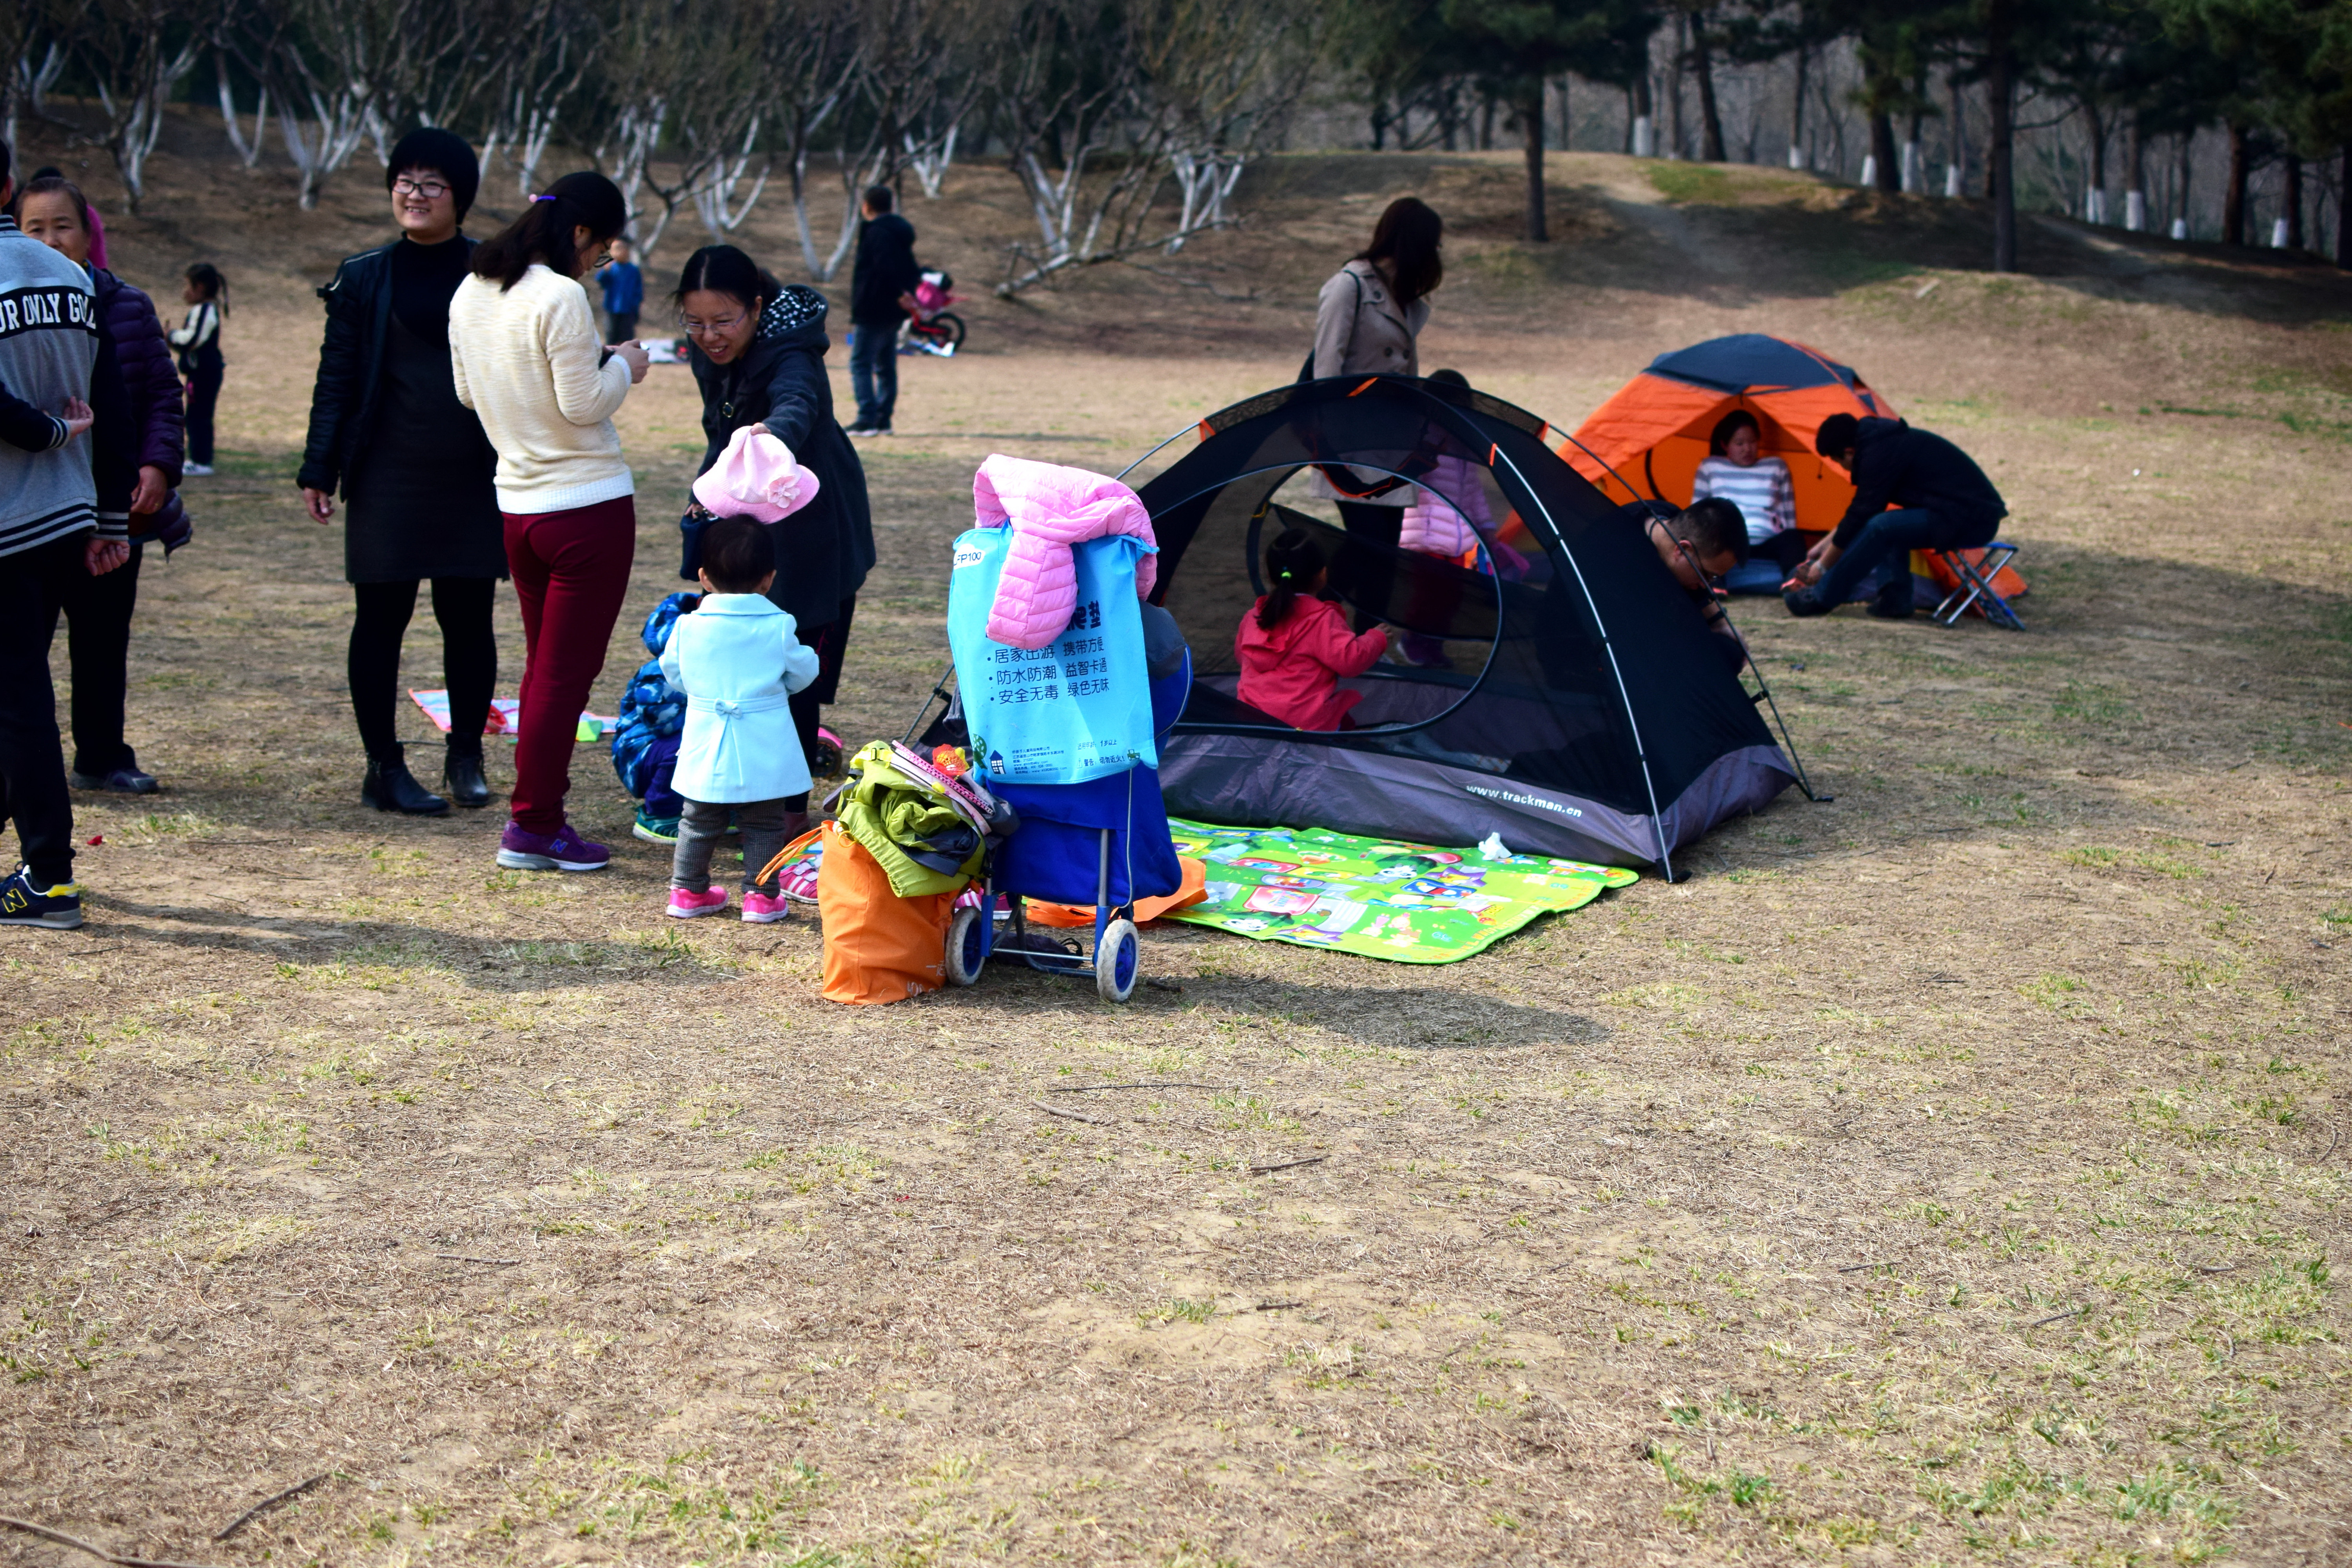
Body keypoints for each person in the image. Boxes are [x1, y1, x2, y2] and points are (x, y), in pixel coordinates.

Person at [298, 128, 506, 817]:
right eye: (405, 182)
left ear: (459, 197)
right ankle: (382, 767)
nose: (415, 195)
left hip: (472, 473)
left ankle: (466, 755)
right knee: (380, 620)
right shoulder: (363, 275)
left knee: (468, 618)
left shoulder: (491, 270)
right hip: (387, 473)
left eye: (432, 184)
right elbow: (337, 377)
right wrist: (319, 466)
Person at [448, 170, 648, 872]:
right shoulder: (560, 295)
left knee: (544, 670)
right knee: (565, 678)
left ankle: (535, 816)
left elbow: (468, 393)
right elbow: (584, 404)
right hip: (586, 509)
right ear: (582, 232)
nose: (600, 263)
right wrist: (624, 366)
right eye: (603, 249)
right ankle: (534, 823)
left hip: (518, 509)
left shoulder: (471, 290)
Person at [671, 243, 875, 778]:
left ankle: (788, 803)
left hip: (810, 510)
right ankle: (735, 775)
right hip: (744, 501)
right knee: (737, 640)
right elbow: (720, 421)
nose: (710, 336)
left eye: (724, 321)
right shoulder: (710, 351)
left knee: (794, 648)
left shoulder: (792, 352)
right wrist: (710, 479)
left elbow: (797, 403)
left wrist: (771, 437)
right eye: (695, 322)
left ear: (757, 308)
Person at [13, 173, 185, 797]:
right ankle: (20, 768)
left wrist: (157, 466)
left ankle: (102, 754)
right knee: (22, 647)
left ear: (88, 235)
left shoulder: (126, 305)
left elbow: (161, 395)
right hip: (34, 506)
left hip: (112, 506)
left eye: (64, 227)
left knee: (103, 638)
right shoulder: (11, 306)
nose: (51, 241)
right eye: (36, 228)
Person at [0, 135, 111, 929]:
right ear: (9, 187)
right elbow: (113, 400)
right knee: (15, 693)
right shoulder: (70, 274)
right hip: (64, 511)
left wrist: (45, 433)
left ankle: (49, 875)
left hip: (9, 516)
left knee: (18, 701)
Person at [659, 513, 819, 924]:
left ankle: (688, 891)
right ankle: (761, 897)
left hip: (706, 734)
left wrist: (703, 692)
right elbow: (803, 673)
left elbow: (674, 673)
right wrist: (776, 690)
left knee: (698, 819)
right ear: (768, 579)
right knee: (764, 822)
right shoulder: (778, 625)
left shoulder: (688, 626)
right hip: (765, 738)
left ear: (703, 577)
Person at [1310, 197, 1444, 626]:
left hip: (1394, 446)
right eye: (1432, 245)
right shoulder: (1349, 286)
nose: (1436, 256)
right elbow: (1325, 371)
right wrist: (1330, 445)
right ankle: (1306, 625)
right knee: (1366, 544)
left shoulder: (1404, 298)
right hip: (1350, 446)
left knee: (1384, 551)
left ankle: (1366, 644)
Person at [1784, 412, 2007, 620]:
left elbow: (1862, 513)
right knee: (1889, 525)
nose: (1842, 467)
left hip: (1973, 520)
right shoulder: (1879, 444)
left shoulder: (1879, 453)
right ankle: (1894, 601)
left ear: (1849, 452)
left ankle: (1820, 598)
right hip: (1956, 514)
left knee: (1883, 526)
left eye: (1838, 460)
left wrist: (1822, 567)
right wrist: (1822, 547)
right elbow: (1862, 510)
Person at [1235, 528, 1393, 731]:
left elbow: (1242, 657)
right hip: (1306, 724)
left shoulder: (1254, 617)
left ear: (1270, 575)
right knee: (1340, 720)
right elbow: (1350, 662)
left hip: (1251, 719)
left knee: (1342, 717)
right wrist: (1376, 639)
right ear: (1323, 574)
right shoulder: (1322, 620)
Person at [1690, 409, 1804, 588]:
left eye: (1752, 442)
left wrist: (1791, 535)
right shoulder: (1710, 467)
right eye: (1739, 444)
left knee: (1792, 538)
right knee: (1708, 537)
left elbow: (1789, 514)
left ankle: (1795, 581)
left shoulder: (1776, 466)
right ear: (1725, 445)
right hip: (1728, 543)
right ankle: (1714, 585)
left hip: (1767, 541)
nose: (1747, 449)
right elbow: (1696, 513)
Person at [1640, 497, 1749, 673]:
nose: (1706, 585)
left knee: (1728, 652)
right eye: (1707, 575)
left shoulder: (1671, 515)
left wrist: (1722, 624)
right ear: (1682, 550)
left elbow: (1702, 596)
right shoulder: (1622, 552)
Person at [846, 185, 919, 436]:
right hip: (894, 310)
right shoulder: (901, 232)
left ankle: (867, 419)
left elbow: (882, 267)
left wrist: (899, 293)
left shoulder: (876, 231)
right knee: (886, 365)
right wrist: (908, 293)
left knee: (861, 363)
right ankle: (883, 419)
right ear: (891, 205)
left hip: (873, 307)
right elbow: (911, 267)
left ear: (867, 206)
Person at [169, 263, 226, 475]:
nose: (185, 292)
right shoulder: (203, 310)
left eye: (188, 286)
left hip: (205, 374)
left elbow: (193, 339)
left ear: (200, 287)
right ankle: (198, 459)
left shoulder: (205, 310)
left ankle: (201, 461)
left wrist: (171, 335)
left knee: (199, 415)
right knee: (195, 415)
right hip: (199, 373)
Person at [595, 236, 642, 343]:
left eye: (622, 248)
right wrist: (605, 271)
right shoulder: (611, 268)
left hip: (628, 310)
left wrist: (635, 307)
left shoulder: (633, 270)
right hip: (611, 308)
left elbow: (638, 292)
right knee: (611, 335)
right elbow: (601, 281)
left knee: (626, 338)